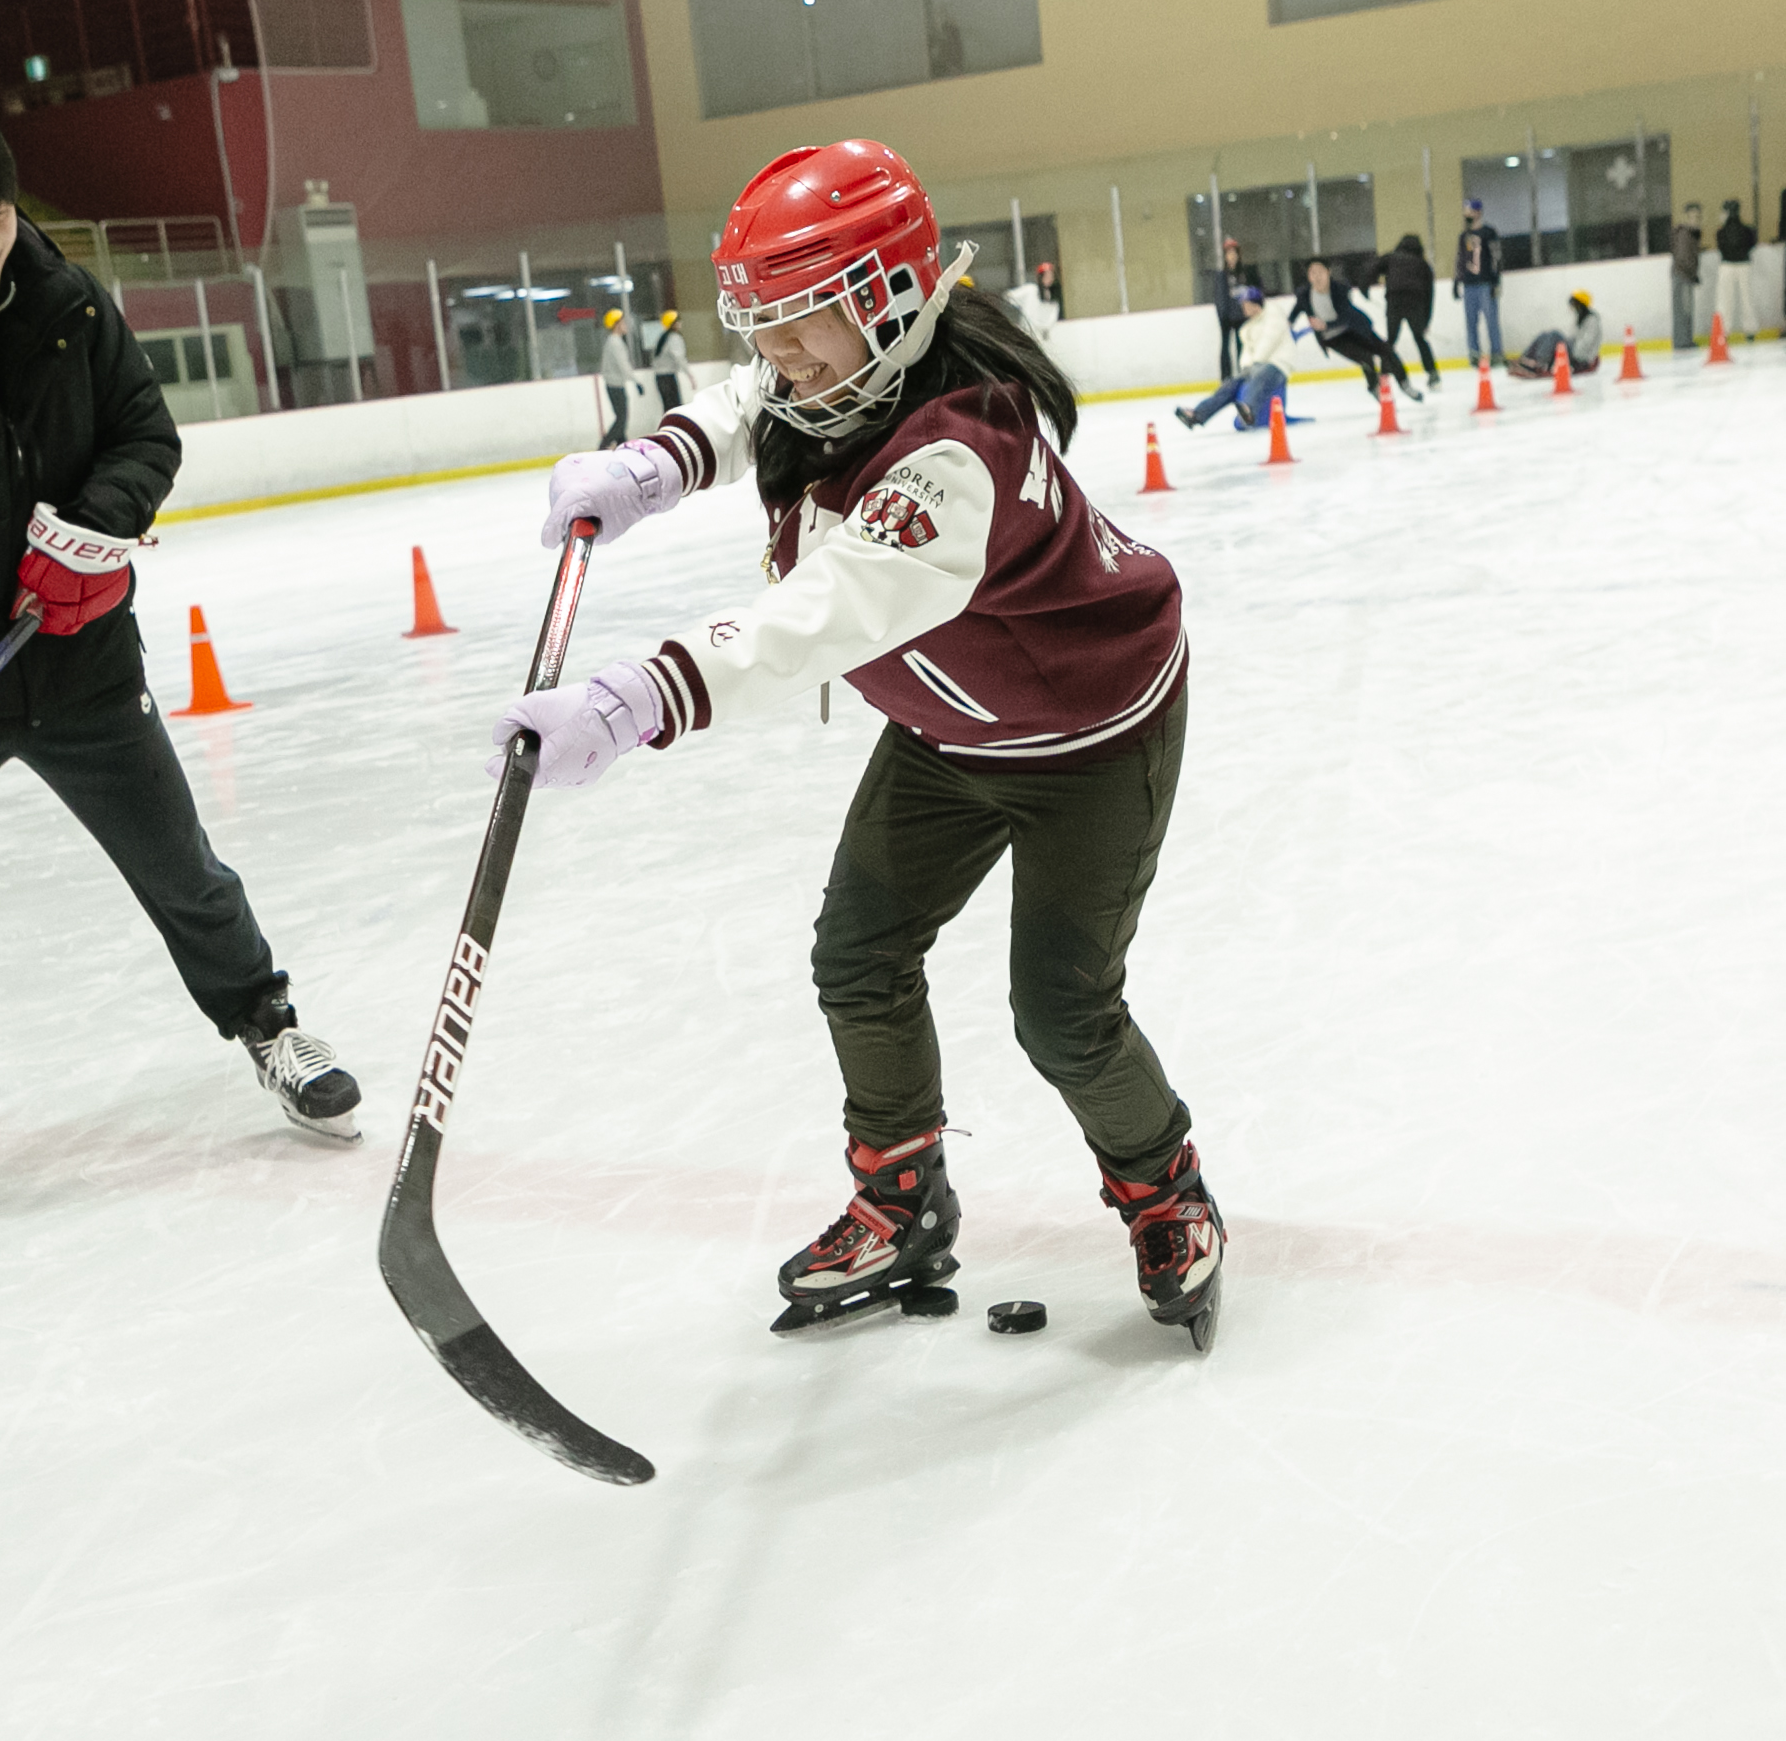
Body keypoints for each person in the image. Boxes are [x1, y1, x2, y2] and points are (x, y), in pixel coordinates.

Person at [503, 138, 1219, 1347]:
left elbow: (819, 612)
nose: (774, 353)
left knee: (1062, 1009)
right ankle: (900, 1199)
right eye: (761, 324)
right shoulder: (845, 369)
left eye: (800, 324)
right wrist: (652, 465)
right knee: (858, 952)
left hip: (1090, 737)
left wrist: (644, 694)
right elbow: (754, 400)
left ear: (888, 298)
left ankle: (1165, 1187)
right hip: (952, 730)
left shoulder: (956, 455)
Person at [0, 91, 360, 1250]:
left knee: (178, 859)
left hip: (81, 658)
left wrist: (91, 530)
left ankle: (269, 1024)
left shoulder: (64, 300)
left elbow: (146, 432)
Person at [1171, 289, 1299, 430]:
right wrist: (1246, 367)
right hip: (1256, 366)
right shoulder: (1248, 327)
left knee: (1260, 374)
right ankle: (1197, 414)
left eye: (1245, 304)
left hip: (1277, 365)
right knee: (1230, 385)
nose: (1243, 308)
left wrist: (1254, 364)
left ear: (1254, 304)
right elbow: (1246, 353)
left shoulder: (1274, 316)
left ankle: (1248, 411)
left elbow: (1269, 341)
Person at [1294, 257, 1416, 400]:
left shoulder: (1339, 289)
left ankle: (1404, 383)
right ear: (1308, 276)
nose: (1317, 276)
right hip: (1334, 338)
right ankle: (1374, 387)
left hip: (1355, 328)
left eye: (1320, 271)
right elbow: (1296, 311)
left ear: (1328, 272)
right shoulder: (1304, 294)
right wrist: (1289, 325)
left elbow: (1346, 316)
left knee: (1387, 351)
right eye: (1312, 273)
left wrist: (1325, 325)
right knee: (1365, 359)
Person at [1378, 233, 1438, 386]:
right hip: (1415, 303)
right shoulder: (1423, 265)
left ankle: (1383, 375)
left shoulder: (1391, 258)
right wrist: (1426, 320)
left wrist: (1364, 287)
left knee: (1390, 340)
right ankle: (1432, 373)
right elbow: (1429, 295)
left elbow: (1373, 268)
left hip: (1395, 302)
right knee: (1419, 338)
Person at [1455, 197, 1504, 368]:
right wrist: (1457, 281)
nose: (1466, 214)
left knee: (1491, 319)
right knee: (1471, 320)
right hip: (1469, 284)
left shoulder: (1489, 233)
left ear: (1477, 212)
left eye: (1468, 210)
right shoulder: (1464, 236)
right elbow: (1460, 258)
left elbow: (1496, 257)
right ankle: (1474, 353)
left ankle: (1497, 353)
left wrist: (1496, 281)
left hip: (1485, 283)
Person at [1508, 289, 1603, 378]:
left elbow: (1585, 344)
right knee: (1544, 335)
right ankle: (1526, 358)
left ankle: (1539, 364)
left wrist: (1567, 347)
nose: (1573, 307)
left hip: (1580, 357)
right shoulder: (1581, 319)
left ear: (1581, 304)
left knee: (1555, 335)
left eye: (1575, 304)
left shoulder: (1592, 320)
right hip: (1574, 351)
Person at [1712, 198, 1759, 340]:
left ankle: (1724, 331)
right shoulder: (1748, 230)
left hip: (1727, 265)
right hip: (1744, 264)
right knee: (1747, 298)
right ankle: (1750, 330)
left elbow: (1720, 247)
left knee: (1725, 300)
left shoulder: (1721, 232)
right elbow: (1752, 244)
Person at [1212, 237, 1249, 379]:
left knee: (1242, 346)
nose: (1232, 257)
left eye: (1234, 254)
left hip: (1240, 316)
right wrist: (1223, 315)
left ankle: (1243, 373)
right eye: (1229, 254)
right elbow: (1220, 296)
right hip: (1226, 317)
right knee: (1225, 346)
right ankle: (1226, 377)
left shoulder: (1243, 274)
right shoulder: (1222, 275)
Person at [598, 307, 634, 447]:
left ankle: (623, 446)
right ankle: (603, 446)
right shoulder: (615, 343)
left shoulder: (613, 341)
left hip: (614, 384)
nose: (625, 325)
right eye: (623, 322)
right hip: (616, 385)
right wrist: (636, 381)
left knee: (621, 420)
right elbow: (623, 365)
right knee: (621, 420)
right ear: (616, 325)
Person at [1670, 202, 1704, 349]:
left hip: (1685, 275)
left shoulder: (1691, 234)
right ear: (1686, 217)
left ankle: (1685, 340)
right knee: (1683, 309)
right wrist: (1692, 273)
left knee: (1686, 309)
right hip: (1683, 276)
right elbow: (1683, 257)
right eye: (1692, 217)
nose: (1695, 220)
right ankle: (1682, 341)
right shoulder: (1685, 233)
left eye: (1697, 217)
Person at [651, 309, 690, 411]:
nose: (680, 323)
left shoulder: (662, 338)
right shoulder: (674, 338)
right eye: (678, 321)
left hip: (660, 377)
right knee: (675, 407)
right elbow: (679, 358)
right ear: (673, 323)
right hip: (668, 377)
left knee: (668, 408)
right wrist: (690, 375)